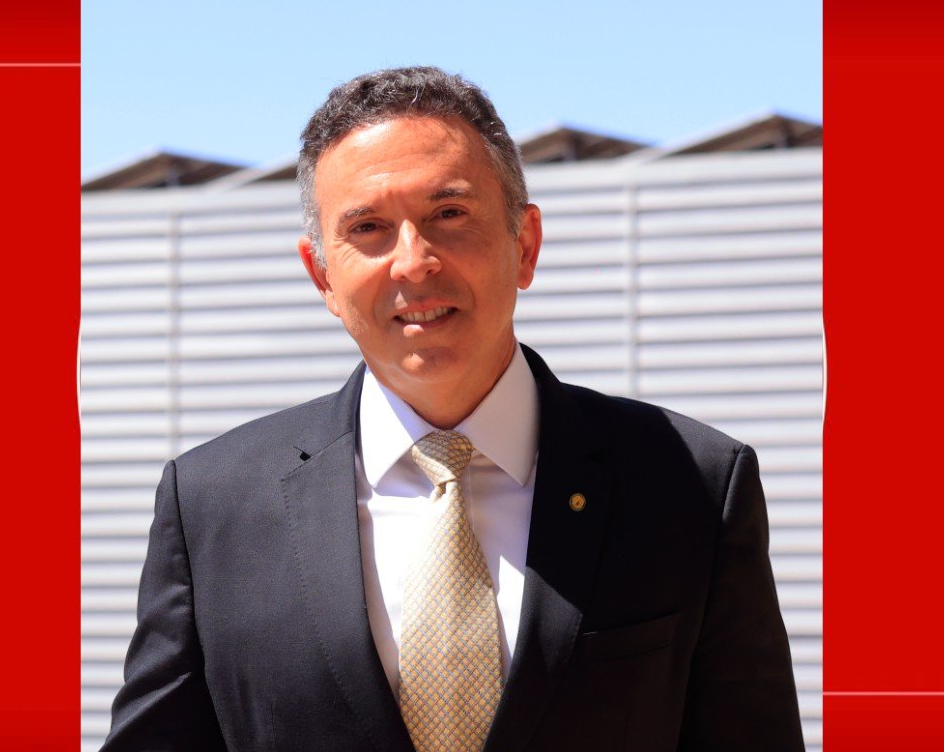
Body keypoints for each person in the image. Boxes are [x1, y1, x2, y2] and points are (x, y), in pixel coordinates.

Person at [102, 66, 804, 752]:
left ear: (524, 244)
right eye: (368, 227)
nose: (413, 262)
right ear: (322, 276)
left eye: (449, 214)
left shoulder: (691, 484)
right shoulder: (213, 504)